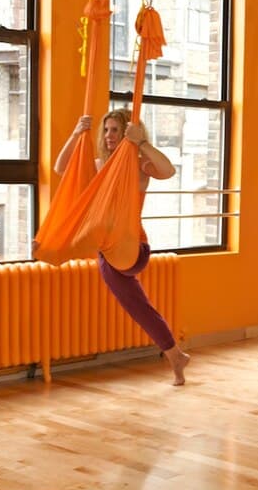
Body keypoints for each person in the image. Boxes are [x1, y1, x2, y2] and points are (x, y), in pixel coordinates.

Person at [55, 110, 190, 386]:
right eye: (106, 130)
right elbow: (60, 168)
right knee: (138, 305)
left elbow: (169, 170)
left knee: (136, 304)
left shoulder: (139, 165)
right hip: (107, 248)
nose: (108, 136)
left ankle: (56, 246)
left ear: (127, 132)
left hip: (133, 249)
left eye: (115, 130)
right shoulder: (98, 165)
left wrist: (141, 143)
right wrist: (76, 133)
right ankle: (175, 356)